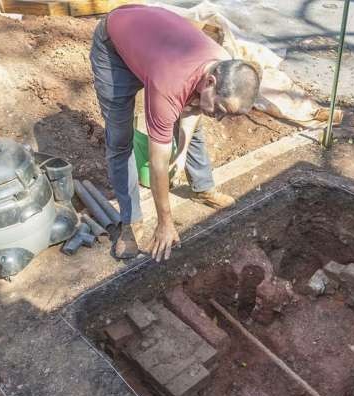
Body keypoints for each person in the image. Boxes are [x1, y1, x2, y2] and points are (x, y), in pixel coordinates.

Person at [90, 4, 261, 262]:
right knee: (120, 139)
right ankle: (130, 221)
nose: (221, 117)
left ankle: (202, 187)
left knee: (199, 114)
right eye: (222, 109)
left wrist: (181, 153)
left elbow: (193, 112)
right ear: (211, 82)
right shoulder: (169, 83)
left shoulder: (222, 62)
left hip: (153, 45)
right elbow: (157, 162)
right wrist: (165, 222)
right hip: (114, 47)